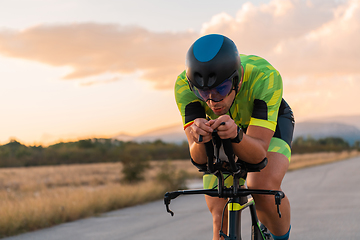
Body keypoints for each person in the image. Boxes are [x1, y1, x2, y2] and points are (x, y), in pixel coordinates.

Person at [174, 34, 294, 240]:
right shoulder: (184, 87)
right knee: (218, 208)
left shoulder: (265, 76)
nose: (213, 102)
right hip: (222, 131)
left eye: (221, 89)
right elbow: (199, 159)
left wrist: (238, 135)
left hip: (268, 126)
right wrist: (199, 138)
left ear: (236, 80)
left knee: (261, 185)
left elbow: (257, 155)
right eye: (204, 94)